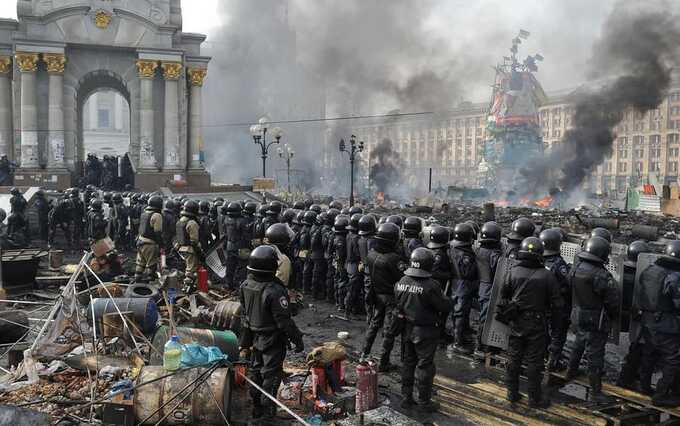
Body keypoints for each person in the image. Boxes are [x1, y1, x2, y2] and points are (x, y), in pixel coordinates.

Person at [238, 245, 304, 419]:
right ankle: (267, 416)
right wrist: (297, 339)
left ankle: (257, 409)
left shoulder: (245, 285)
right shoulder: (274, 291)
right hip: (272, 339)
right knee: (271, 377)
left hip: (254, 336)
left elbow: (244, 315)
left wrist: (244, 343)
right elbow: (284, 322)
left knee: (255, 371)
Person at [502, 237, 562, 408]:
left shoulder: (512, 271)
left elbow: (503, 295)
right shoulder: (547, 275)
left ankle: (512, 393)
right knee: (534, 363)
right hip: (537, 324)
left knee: (513, 359)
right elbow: (557, 305)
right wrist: (556, 326)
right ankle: (534, 399)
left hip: (516, 322)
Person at [395, 247, 454, 412]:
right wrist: (450, 300)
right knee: (425, 366)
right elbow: (444, 306)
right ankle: (424, 401)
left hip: (406, 328)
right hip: (426, 332)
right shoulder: (431, 285)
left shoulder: (402, 282)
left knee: (408, 363)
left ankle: (406, 398)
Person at [565, 236, 619, 402]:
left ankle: (570, 371)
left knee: (578, 344)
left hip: (577, 314)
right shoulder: (602, 275)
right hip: (595, 319)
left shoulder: (575, 269)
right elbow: (612, 302)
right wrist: (612, 316)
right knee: (595, 354)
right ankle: (596, 392)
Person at [632, 240, 680, 406]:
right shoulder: (674, 276)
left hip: (647, 321)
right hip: (667, 325)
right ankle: (661, 395)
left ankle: (644, 387)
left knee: (649, 354)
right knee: (672, 360)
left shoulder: (650, 270)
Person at [362, 222, 403, 371]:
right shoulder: (394, 259)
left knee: (374, 324)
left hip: (377, 294)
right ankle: (384, 362)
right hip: (391, 298)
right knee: (389, 330)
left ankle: (364, 352)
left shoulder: (371, 254)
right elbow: (401, 277)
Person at [617, 240, 651, 390]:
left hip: (619, 315)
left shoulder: (620, 272)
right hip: (637, 318)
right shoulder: (647, 277)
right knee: (639, 350)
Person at [540, 228, 571, 371]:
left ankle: (543, 355)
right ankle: (553, 361)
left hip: (543, 303)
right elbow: (566, 284)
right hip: (557, 305)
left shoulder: (538, 259)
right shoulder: (559, 264)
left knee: (543, 330)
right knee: (558, 333)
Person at [448, 223, 478, 354]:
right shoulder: (465, 254)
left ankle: (462, 335)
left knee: (459, 313)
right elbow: (467, 273)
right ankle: (457, 343)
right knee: (460, 314)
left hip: (456, 284)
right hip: (463, 286)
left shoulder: (452, 248)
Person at [474, 221, 502, 358]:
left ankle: (482, 346)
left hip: (482, 287)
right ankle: (481, 347)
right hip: (490, 288)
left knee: (483, 318)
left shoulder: (479, 250)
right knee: (486, 319)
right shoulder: (494, 254)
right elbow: (499, 270)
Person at [175, 201, 203, 291]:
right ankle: (187, 288)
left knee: (187, 267)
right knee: (190, 269)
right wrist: (199, 252)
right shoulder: (192, 223)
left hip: (180, 248)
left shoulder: (180, 221)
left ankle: (189, 285)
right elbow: (194, 241)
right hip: (190, 249)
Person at [134, 195, 163, 283]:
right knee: (152, 264)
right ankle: (151, 282)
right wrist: (161, 244)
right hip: (149, 243)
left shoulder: (144, 213)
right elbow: (157, 232)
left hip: (140, 241)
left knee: (140, 263)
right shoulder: (157, 215)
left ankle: (137, 279)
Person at [345, 213, 365, 319]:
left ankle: (352, 310)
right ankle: (348, 312)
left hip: (349, 264)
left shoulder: (348, 235)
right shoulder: (356, 238)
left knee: (353, 289)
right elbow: (358, 254)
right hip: (355, 266)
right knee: (353, 290)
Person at [222, 202, 245, 289]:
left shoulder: (226, 219)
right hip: (239, 246)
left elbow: (225, 234)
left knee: (230, 266)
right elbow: (244, 236)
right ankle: (238, 285)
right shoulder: (241, 221)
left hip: (229, 245)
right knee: (240, 267)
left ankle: (229, 284)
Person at [332, 216, 349, 311]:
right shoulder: (341, 239)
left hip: (338, 262)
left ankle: (338, 302)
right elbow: (341, 254)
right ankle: (340, 304)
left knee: (337, 281)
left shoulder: (337, 237)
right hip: (341, 263)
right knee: (342, 283)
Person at [323, 209, 340, 303]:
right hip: (331, 256)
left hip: (328, 255)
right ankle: (330, 297)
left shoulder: (327, 230)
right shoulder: (331, 232)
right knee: (331, 276)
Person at [310, 212, 328, 300]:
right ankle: (316, 294)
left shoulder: (313, 227)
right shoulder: (322, 229)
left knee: (316, 274)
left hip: (314, 253)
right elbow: (324, 243)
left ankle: (316, 293)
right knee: (318, 275)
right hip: (319, 254)